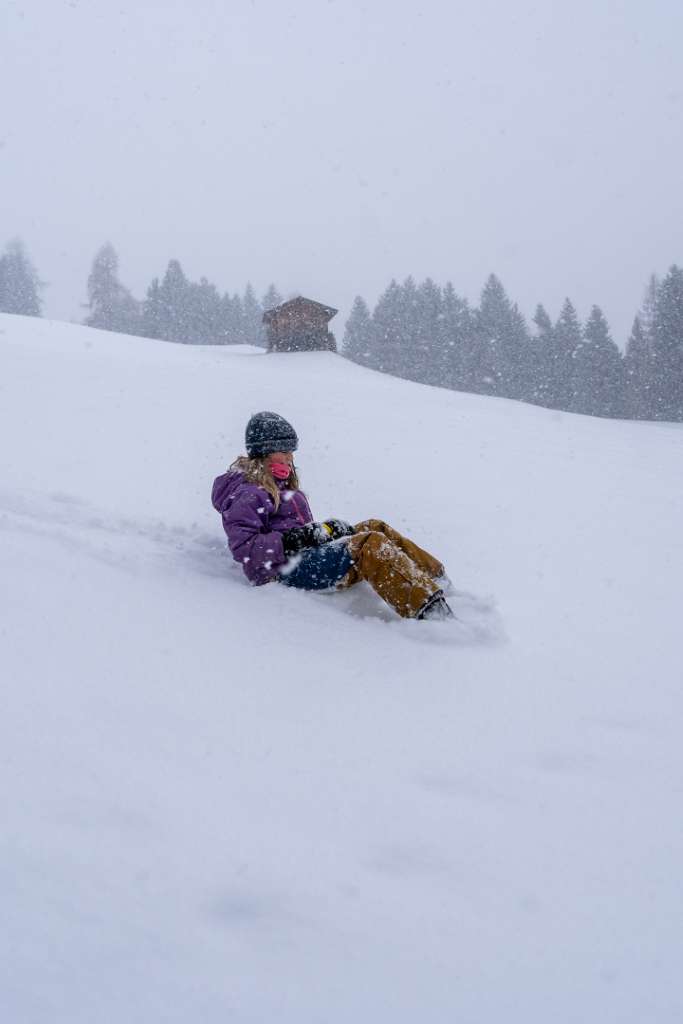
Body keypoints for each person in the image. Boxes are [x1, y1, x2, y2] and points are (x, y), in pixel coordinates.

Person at [211, 411, 454, 620]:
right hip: (280, 573)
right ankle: (430, 610)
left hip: (299, 558)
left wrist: (324, 532)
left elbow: (292, 529)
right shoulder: (249, 492)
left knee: (374, 526)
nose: (290, 457)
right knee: (369, 545)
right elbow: (244, 548)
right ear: (264, 452)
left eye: (291, 451)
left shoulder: (278, 484)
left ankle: (438, 581)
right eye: (283, 451)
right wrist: (297, 539)